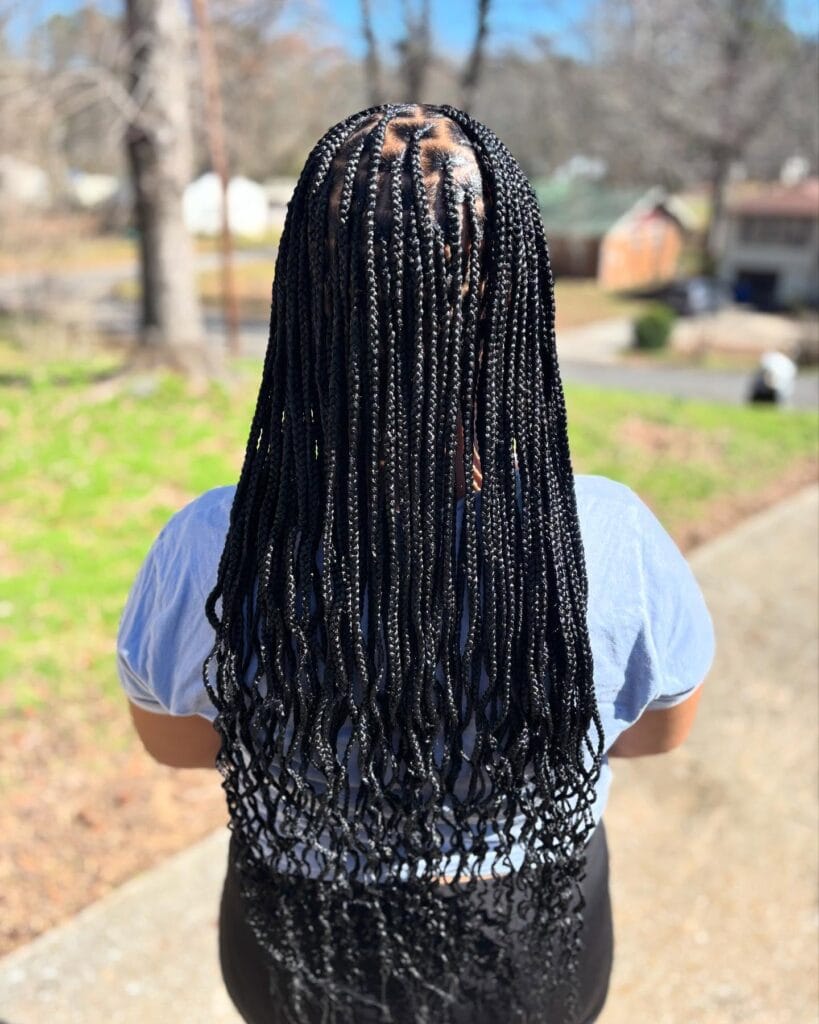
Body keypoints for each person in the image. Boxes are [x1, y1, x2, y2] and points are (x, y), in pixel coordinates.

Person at [116, 104, 714, 1024]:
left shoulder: (214, 546)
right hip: (531, 948)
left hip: (298, 946)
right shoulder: (609, 538)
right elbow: (653, 734)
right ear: (516, 288)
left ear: (305, 291)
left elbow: (178, 744)